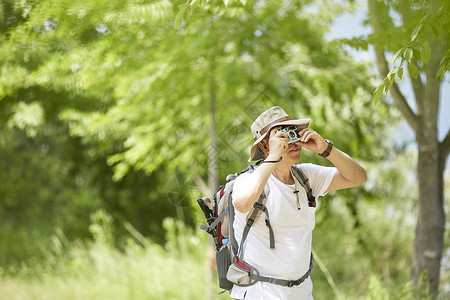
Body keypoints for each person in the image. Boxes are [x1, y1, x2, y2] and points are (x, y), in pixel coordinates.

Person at [230, 106, 367, 300]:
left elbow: (358, 177)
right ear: (264, 146)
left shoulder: (306, 176)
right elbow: (242, 203)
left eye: (293, 132)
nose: (292, 140)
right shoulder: (250, 180)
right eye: (282, 135)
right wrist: (273, 158)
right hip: (259, 294)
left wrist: (326, 149)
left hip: (302, 293)